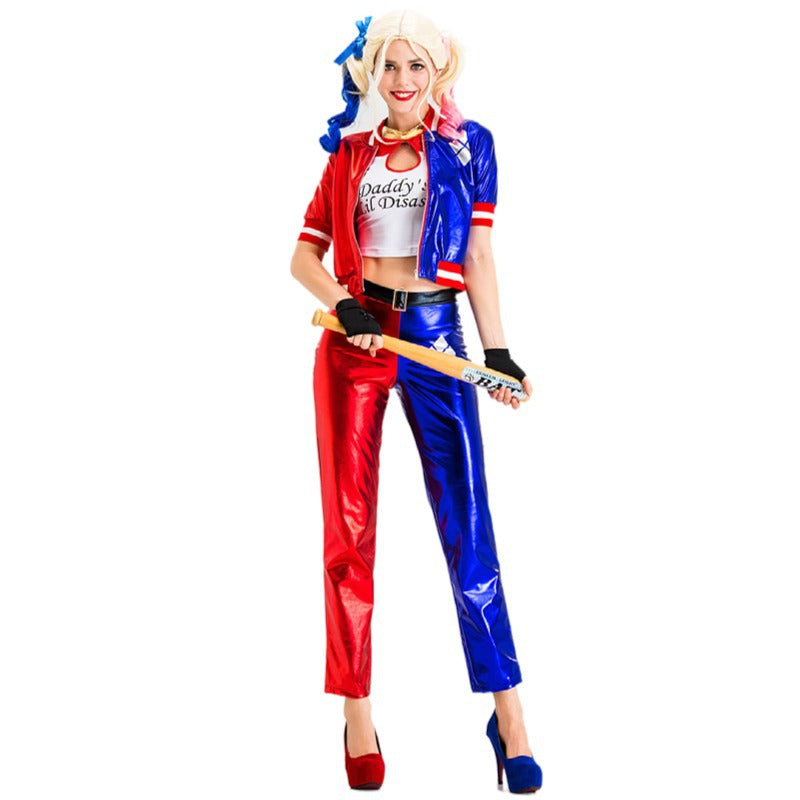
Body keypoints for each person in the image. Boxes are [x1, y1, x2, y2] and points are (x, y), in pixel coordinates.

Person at [290, 10, 543, 793]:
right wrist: (345, 303)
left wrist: (495, 353)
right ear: (372, 74)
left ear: (439, 73)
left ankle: (509, 718)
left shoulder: (470, 148)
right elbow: (303, 256)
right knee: (349, 534)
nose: (402, 81)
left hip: (436, 336)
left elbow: (479, 253)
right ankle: (357, 714)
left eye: (416, 67)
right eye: (390, 66)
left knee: (469, 525)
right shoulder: (348, 154)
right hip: (354, 342)